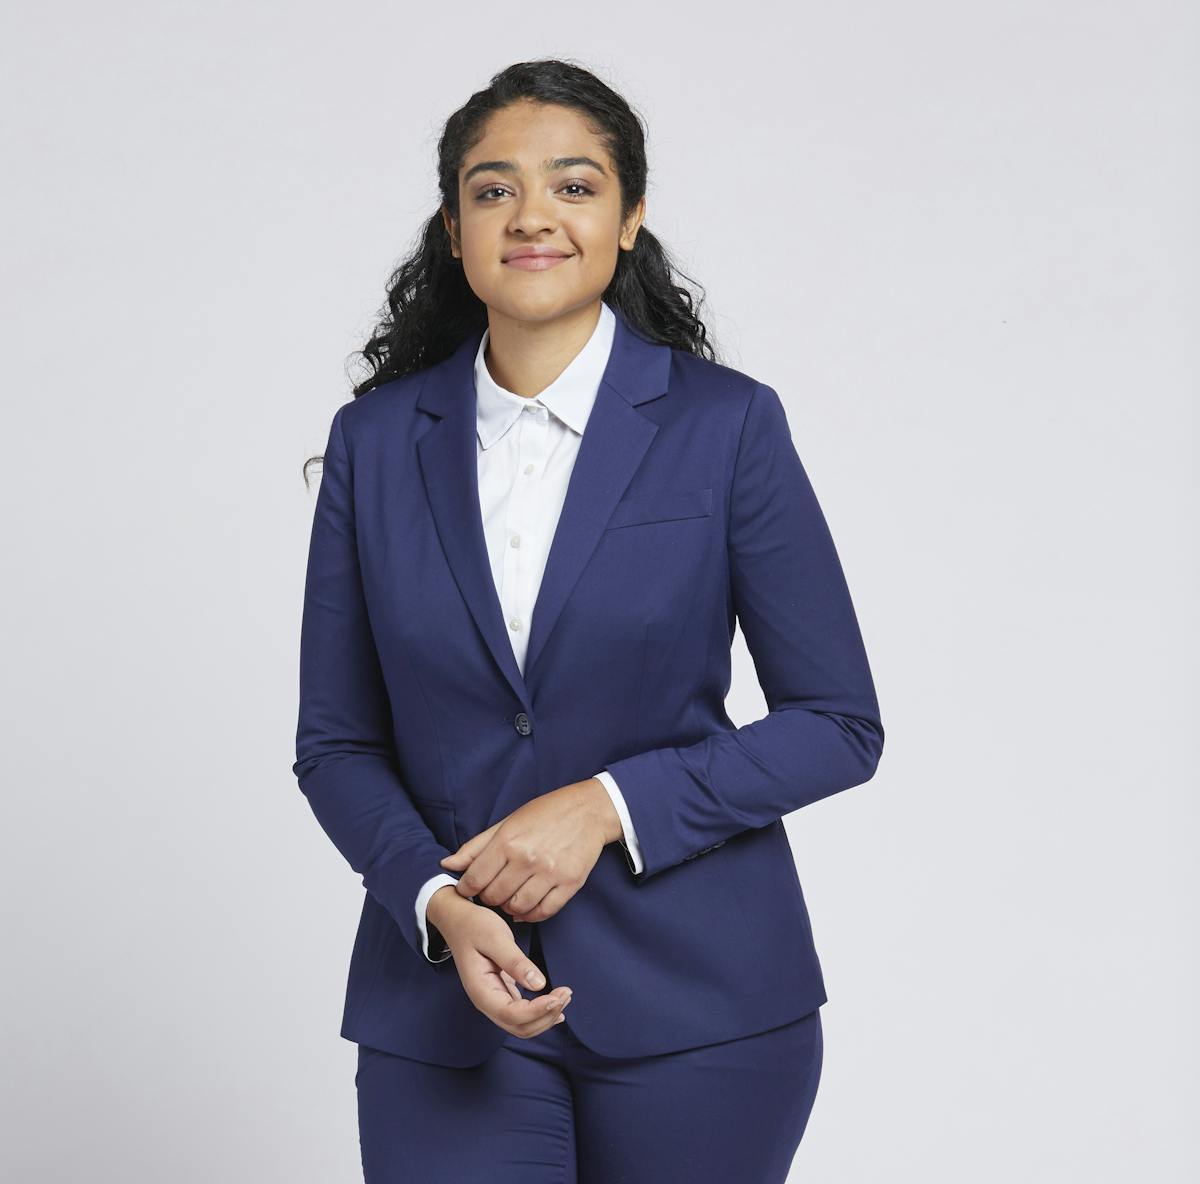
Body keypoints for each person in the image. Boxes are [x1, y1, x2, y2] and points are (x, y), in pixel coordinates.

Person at [293, 58, 884, 1184]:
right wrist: (433, 900)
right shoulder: (375, 444)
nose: (531, 217)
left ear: (629, 219)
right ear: (455, 230)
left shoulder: (728, 427)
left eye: (573, 185)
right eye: (492, 189)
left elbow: (839, 720)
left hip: (702, 1005)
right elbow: (336, 741)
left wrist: (608, 806)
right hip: (445, 996)